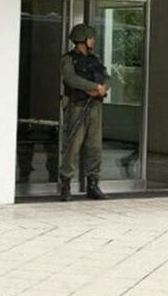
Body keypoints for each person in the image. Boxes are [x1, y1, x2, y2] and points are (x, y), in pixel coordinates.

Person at [59, 24, 109, 201]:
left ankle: (93, 184)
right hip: (77, 106)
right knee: (73, 147)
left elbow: (106, 77)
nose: (93, 40)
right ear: (83, 39)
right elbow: (71, 79)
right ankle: (65, 185)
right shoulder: (68, 59)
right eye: (91, 38)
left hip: (95, 107)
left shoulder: (95, 59)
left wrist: (102, 88)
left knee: (94, 147)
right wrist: (93, 87)